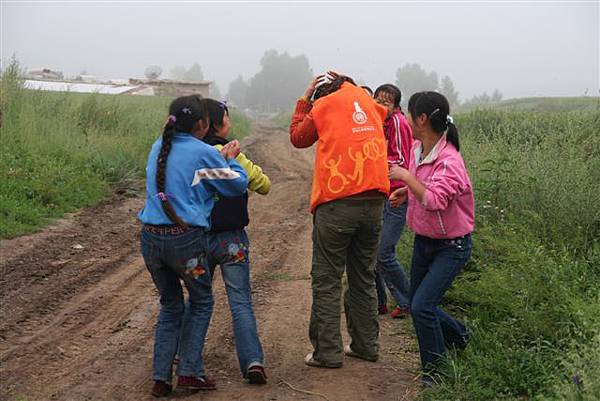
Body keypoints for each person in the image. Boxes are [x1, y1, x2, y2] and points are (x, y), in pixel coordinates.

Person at [138, 95, 248, 397]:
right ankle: (189, 372)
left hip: (150, 241)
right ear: (202, 124)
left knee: (171, 304)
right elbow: (237, 184)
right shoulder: (202, 153)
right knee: (201, 302)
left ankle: (161, 378)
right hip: (185, 243)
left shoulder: (157, 147)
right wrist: (230, 159)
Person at [289, 72, 390, 368]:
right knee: (363, 276)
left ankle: (328, 353)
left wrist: (306, 98)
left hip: (337, 202)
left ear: (324, 92)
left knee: (327, 278)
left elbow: (298, 138)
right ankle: (366, 346)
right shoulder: (370, 104)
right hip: (374, 202)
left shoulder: (324, 104)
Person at [388, 91, 474, 386]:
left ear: (421, 119)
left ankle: (435, 376)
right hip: (425, 241)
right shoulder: (418, 149)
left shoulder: (450, 161)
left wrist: (406, 179)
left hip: (452, 246)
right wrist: (407, 191)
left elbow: (436, 199)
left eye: (410, 114)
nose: (407, 119)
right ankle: (461, 335)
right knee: (418, 304)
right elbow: (424, 188)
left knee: (423, 306)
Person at [202, 99, 271, 384]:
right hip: (232, 241)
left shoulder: (194, 154)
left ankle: (182, 356)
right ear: (220, 124)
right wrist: (236, 161)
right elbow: (264, 185)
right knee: (240, 301)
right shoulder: (233, 154)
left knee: (198, 301)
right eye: (227, 117)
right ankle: (253, 361)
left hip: (198, 240)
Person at [372, 84, 414, 319]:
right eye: (377, 100)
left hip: (396, 195)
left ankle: (407, 301)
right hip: (384, 192)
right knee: (375, 251)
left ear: (396, 106)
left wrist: (371, 162)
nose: (380, 105)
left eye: (386, 102)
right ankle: (380, 302)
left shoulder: (397, 122)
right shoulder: (383, 122)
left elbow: (399, 160)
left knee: (384, 252)